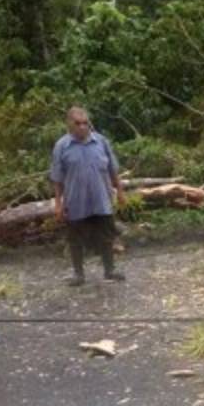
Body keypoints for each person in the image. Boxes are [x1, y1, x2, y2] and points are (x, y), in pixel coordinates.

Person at [50, 106, 126, 285]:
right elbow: (57, 178)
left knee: (106, 236)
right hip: (76, 201)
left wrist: (120, 192)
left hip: (101, 198)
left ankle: (110, 270)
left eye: (85, 123)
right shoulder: (62, 146)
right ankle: (79, 274)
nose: (82, 127)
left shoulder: (101, 142)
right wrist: (58, 204)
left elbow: (113, 170)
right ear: (69, 124)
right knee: (75, 239)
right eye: (78, 123)